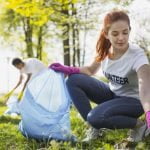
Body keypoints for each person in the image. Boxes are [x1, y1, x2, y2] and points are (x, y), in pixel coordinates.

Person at [49, 10, 150, 142]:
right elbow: (90, 70)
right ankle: (95, 127)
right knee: (72, 80)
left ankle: (138, 125)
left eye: (125, 32)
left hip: (134, 102)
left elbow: (145, 87)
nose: (121, 37)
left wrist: (148, 112)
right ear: (106, 34)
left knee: (96, 117)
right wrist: (68, 69)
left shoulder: (137, 55)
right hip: (113, 94)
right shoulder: (104, 51)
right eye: (115, 33)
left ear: (130, 30)